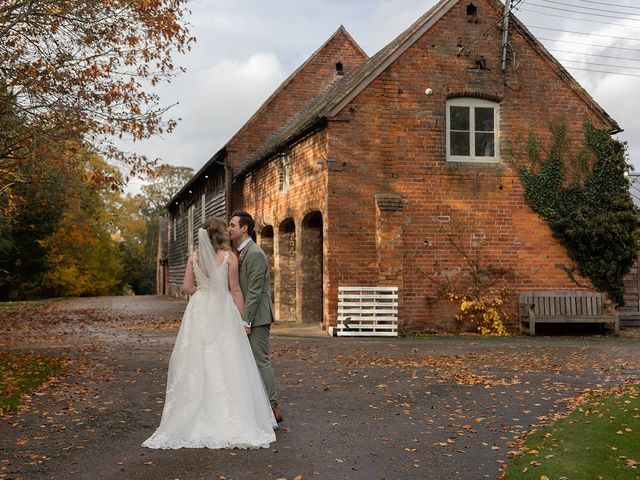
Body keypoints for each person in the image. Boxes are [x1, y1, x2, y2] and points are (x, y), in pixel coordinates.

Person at [142, 218, 276, 449]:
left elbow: (186, 287)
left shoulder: (194, 257)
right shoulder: (229, 258)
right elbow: (235, 291)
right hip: (222, 310)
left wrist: (202, 292)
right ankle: (229, 415)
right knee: (226, 358)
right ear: (221, 236)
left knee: (196, 358)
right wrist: (243, 320)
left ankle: (192, 414)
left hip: (199, 309)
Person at [227, 211, 283, 423]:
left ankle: (273, 406)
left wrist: (246, 320)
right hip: (245, 317)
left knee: (260, 361)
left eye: (233, 225)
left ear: (244, 228)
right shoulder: (239, 253)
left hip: (256, 318)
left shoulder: (256, 254)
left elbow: (255, 291)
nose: (229, 228)